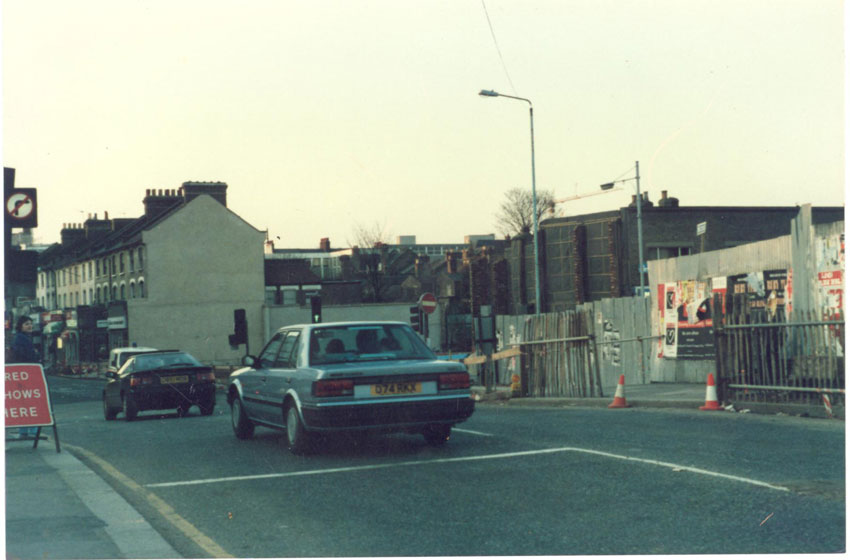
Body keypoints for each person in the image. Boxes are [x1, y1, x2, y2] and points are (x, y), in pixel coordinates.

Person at [10, 316, 40, 439]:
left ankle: (24, 430)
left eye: (31, 324)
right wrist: (35, 357)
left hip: (22, 374)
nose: (30, 326)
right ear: (21, 326)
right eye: (27, 324)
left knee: (23, 402)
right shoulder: (22, 339)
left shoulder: (21, 338)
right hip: (26, 374)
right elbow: (24, 356)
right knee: (30, 401)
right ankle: (32, 430)